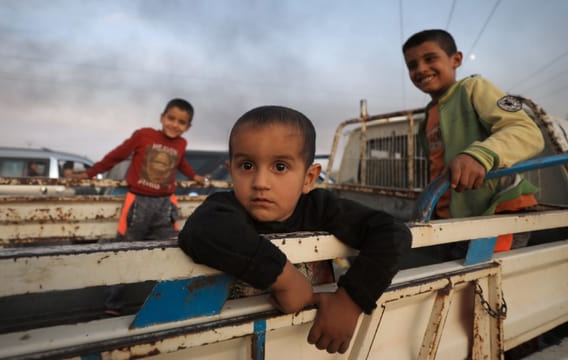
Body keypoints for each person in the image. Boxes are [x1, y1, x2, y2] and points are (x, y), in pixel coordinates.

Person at [178, 105, 412, 354]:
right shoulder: (224, 208)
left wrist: (350, 301)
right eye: (246, 166)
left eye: (280, 167)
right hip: (229, 345)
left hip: (307, 340)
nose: (260, 183)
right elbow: (200, 231)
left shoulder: (320, 208)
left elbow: (392, 233)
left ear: (309, 178)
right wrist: (285, 279)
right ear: (232, 169)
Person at [402, 29, 544, 258]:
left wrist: (479, 155)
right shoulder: (427, 118)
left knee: (484, 286)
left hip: (496, 215)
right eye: (412, 65)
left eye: (430, 59)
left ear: (456, 59)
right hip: (453, 222)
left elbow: (526, 131)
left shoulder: (474, 88)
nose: (420, 69)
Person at [74, 98, 206, 315]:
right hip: (138, 203)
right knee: (125, 251)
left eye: (181, 122)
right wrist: (89, 173)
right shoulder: (144, 135)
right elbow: (117, 155)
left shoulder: (181, 144)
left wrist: (194, 176)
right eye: (171, 118)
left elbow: (180, 163)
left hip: (165, 205)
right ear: (162, 117)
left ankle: (170, 300)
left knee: (171, 250)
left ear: (188, 127)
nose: (174, 124)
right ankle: (113, 304)